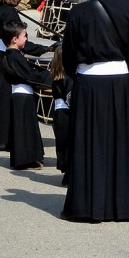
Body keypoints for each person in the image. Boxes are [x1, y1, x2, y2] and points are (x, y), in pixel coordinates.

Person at [61, 0, 129, 223]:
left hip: (89, 82)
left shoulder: (78, 12)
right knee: (120, 144)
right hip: (120, 81)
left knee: (90, 143)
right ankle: (124, 206)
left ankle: (89, 206)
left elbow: (68, 55)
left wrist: (78, 77)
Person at [0, 18, 53, 171]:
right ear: (15, 39)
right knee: (24, 128)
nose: (26, 39)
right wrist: (49, 77)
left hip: (22, 95)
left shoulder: (14, 54)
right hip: (21, 96)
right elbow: (29, 75)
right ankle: (25, 160)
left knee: (26, 127)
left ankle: (30, 157)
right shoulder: (14, 56)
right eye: (25, 36)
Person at [49, 44, 72, 182]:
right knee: (70, 143)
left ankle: (65, 170)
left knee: (62, 143)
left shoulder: (56, 78)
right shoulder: (69, 79)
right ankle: (69, 175)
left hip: (58, 113)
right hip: (67, 114)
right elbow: (70, 98)